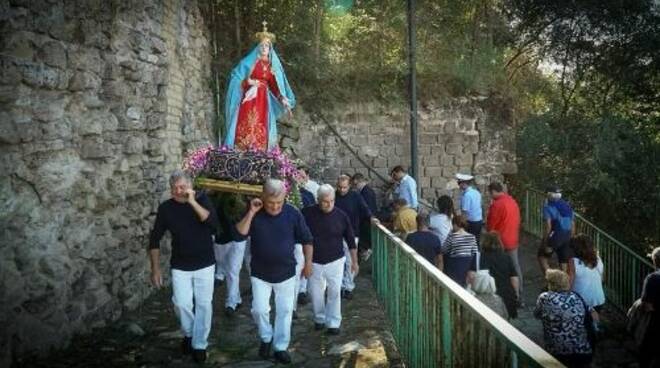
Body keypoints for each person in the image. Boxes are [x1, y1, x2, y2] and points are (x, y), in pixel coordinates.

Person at [234, 179, 313, 364]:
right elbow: (239, 233)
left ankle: (280, 347)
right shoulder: (255, 212)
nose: (275, 207)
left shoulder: (293, 213)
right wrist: (252, 211)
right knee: (259, 309)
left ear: (284, 198)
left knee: (285, 311)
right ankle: (266, 337)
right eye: (271, 203)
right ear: (263, 197)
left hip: (286, 272)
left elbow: (307, 239)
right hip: (260, 272)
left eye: (279, 202)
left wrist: (308, 263)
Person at [148, 170, 220, 363]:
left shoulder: (202, 200)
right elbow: (154, 239)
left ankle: (200, 345)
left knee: (204, 305)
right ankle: (189, 333)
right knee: (181, 303)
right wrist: (155, 268)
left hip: (205, 263)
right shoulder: (166, 208)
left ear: (190, 187)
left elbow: (213, 224)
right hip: (180, 264)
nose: (178, 191)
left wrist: (192, 202)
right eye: (174, 188)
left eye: (182, 187)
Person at [223, 22, 295, 151]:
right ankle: (240, 150)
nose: (264, 48)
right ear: (258, 47)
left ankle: (260, 153)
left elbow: (275, 86)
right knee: (246, 122)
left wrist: (283, 99)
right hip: (249, 99)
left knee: (262, 124)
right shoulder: (248, 62)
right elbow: (236, 78)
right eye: (261, 45)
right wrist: (249, 82)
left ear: (270, 48)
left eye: (267, 46)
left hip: (263, 101)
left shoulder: (272, 67)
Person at [302, 184, 358, 335]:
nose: (329, 204)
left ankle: (334, 322)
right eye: (325, 201)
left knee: (334, 292)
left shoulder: (341, 215)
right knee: (315, 293)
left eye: (332, 201)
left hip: (335, 260)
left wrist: (354, 261)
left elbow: (350, 239)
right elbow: (300, 235)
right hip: (314, 260)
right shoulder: (307, 214)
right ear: (318, 200)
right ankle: (319, 318)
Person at [535, 269, 593, 367]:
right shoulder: (576, 297)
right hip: (580, 349)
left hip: (556, 350)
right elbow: (591, 316)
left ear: (551, 284)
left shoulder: (544, 298)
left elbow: (536, 314)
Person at [334, 175, 375, 299]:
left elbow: (364, 209)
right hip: (336, 233)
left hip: (352, 232)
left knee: (350, 261)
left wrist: (371, 217)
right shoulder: (333, 196)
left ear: (349, 186)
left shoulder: (355, 196)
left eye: (344, 187)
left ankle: (348, 286)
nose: (342, 190)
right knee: (338, 261)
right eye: (340, 187)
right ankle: (339, 286)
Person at [469, 231, 519, 319]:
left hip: (486, 298)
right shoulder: (506, 257)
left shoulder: (479, 257)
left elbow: (471, 276)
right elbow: (514, 279)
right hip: (506, 296)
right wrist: (516, 294)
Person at [212, 194, 247, 317]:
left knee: (233, 270)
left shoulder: (246, 195)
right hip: (222, 237)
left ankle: (231, 303)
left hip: (239, 237)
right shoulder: (215, 195)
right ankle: (236, 299)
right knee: (222, 262)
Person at [486, 182, 522, 293]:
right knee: (515, 267)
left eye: (490, 193)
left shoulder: (497, 205)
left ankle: (498, 292)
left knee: (495, 267)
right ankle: (519, 294)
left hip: (499, 241)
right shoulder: (513, 202)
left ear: (493, 191)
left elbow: (491, 225)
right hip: (513, 238)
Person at [567, 235, 605, 330]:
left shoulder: (573, 261)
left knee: (580, 327)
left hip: (582, 302)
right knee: (591, 326)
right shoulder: (598, 258)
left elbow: (568, 285)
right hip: (598, 300)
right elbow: (602, 279)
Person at [538, 186, 575, 274]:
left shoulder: (548, 207)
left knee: (542, 257)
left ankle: (552, 282)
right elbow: (573, 223)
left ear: (549, 195)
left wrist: (545, 241)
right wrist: (572, 237)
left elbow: (548, 226)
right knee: (563, 260)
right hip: (568, 235)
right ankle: (564, 285)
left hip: (556, 236)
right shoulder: (567, 205)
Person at [439, 214, 478, 287]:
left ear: (455, 224)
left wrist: (450, 233)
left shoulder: (452, 236)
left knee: (443, 255)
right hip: (467, 266)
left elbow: (443, 250)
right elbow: (474, 253)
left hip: (454, 267)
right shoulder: (472, 237)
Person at [638, 247, 660, 368]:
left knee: (646, 354)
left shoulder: (653, 278)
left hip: (655, 323)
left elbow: (647, 306)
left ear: (654, 261)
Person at [351, 173, 378, 262]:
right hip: (367, 221)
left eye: (355, 184)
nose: (355, 187)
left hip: (367, 222)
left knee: (367, 243)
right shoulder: (366, 191)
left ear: (358, 181)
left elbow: (367, 208)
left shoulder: (366, 192)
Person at [455, 173, 483, 245]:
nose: (459, 185)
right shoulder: (476, 192)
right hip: (479, 221)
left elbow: (465, 212)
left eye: (459, 183)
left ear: (464, 183)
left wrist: (461, 225)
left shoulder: (466, 195)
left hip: (471, 223)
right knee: (476, 242)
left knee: (468, 243)